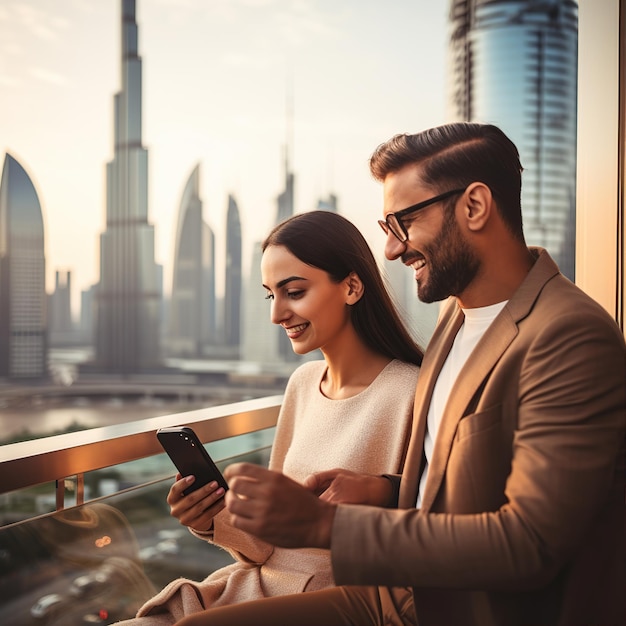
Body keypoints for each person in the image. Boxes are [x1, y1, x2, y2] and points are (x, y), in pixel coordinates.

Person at [175, 122, 626, 626]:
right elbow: (458, 481)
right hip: (399, 592)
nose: (391, 249)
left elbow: (531, 544)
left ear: (474, 206)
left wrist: (326, 525)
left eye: (403, 223)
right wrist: (384, 490)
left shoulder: (569, 336)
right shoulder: (455, 317)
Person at [119, 210, 423, 625]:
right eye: (270, 295)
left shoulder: (411, 391)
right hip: (252, 586)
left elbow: (425, 528)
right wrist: (212, 518)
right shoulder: (302, 383)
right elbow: (268, 546)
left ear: (351, 287)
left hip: (335, 606)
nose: (277, 314)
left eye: (294, 292)